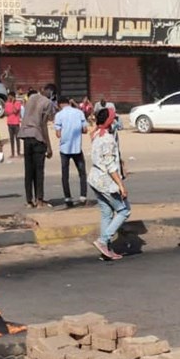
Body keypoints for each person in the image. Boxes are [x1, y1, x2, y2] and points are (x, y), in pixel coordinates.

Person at [88, 107, 130, 261]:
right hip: (105, 180)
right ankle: (103, 240)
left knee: (106, 212)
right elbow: (110, 165)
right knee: (124, 210)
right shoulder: (107, 138)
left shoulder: (96, 135)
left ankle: (106, 248)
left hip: (95, 179)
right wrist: (121, 185)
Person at [18, 84, 55, 208]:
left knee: (28, 170)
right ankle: (39, 200)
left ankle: (29, 200)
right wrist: (49, 146)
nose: (51, 94)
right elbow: (43, 125)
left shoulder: (31, 98)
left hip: (25, 135)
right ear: (47, 91)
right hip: (37, 136)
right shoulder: (48, 102)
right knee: (39, 171)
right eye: (51, 91)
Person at [54, 95, 89, 206]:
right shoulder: (79, 113)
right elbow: (85, 130)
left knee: (65, 175)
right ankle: (83, 196)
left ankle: (68, 198)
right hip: (77, 147)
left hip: (64, 148)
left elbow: (58, 134)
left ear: (59, 104)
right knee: (82, 173)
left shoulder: (59, 115)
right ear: (69, 102)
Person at [4, 91, 22, 157]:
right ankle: (12, 153)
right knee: (11, 139)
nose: (9, 97)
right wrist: (10, 111)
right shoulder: (7, 103)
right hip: (9, 122)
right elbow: (6, 113)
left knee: (17, 138)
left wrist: (13, 103)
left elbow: (15, 111)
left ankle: (18, 152)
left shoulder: (17, 103)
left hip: (16, 123)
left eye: (10, 96)